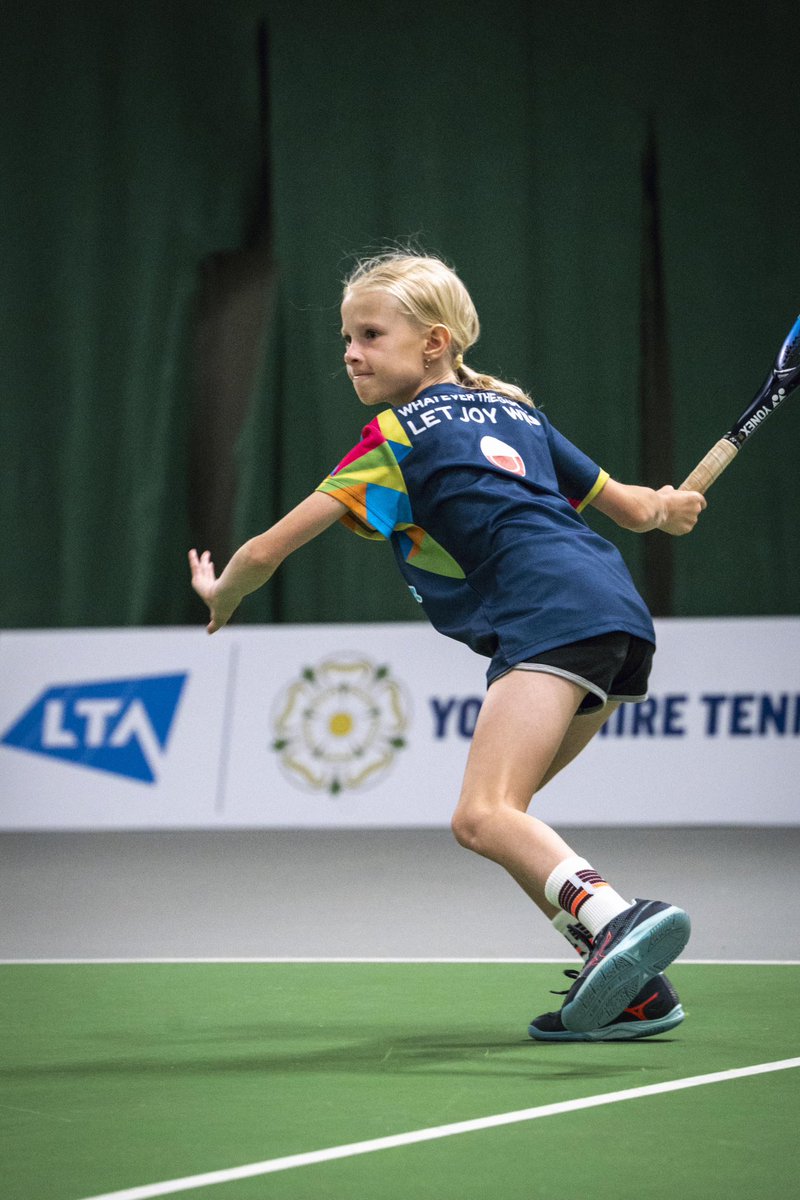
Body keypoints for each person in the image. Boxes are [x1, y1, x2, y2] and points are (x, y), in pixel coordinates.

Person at [189, 250, 707, 1041]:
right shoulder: (517, 414)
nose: (350, 352)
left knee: (481, 815)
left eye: (369, 334)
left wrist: (221, 594)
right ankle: (637, 993)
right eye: (345, 337)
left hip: (549, 615)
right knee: (508, 819)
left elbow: (264, 551)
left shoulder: (395, 437)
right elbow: (636, 511)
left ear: (433, 342)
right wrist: (669, 508)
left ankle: (618, 918)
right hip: (616, 617)